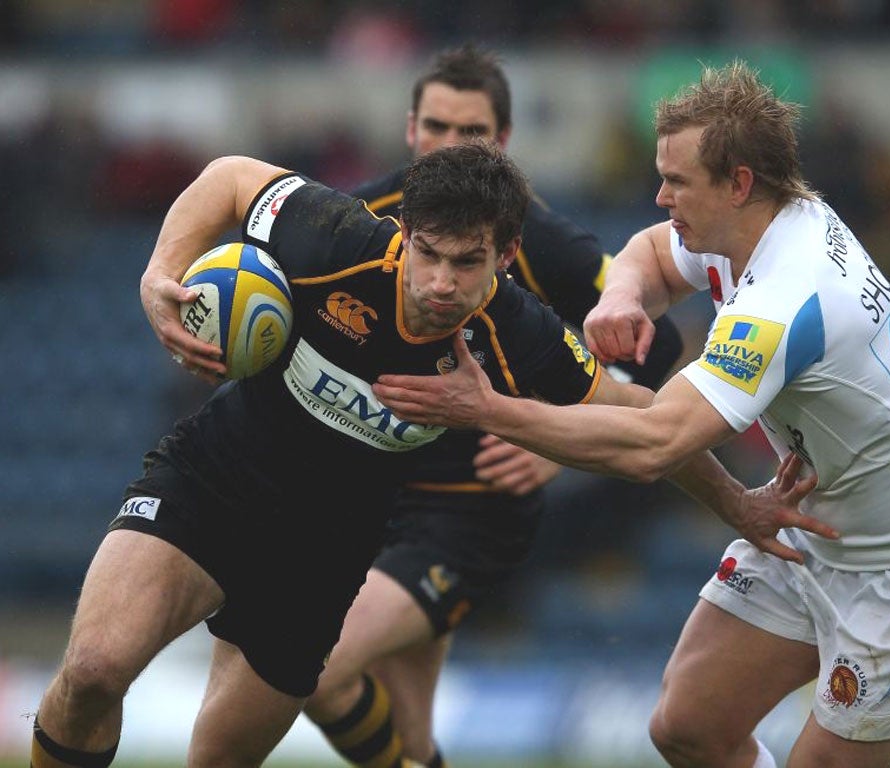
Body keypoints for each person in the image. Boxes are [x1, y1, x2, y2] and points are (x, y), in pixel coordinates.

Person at [372, 61, 890, 768]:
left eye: (677, 182)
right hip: (810, 538)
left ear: (738, 184)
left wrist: (485, 408)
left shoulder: (785, 296)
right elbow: (647, 255)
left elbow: (652, 445)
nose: (660, 196)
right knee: (687, 728)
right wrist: (620, 299)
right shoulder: (758, 224)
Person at [29, 142, 664, 768]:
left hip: (321, 555)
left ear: (507, 255)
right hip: (213, 478)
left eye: (467, 263)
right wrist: (157, 275)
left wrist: (739, 500)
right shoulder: (335, 238)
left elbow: (654, 425)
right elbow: (227, 177)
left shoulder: (520, 333)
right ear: (405, 233)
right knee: (91, 671)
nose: (442, 282)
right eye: (429, 254)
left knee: (219, 758)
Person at [300, 43, 685, 768]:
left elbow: (658, 350)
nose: (448, 145)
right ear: (409, 128)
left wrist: (552, 444)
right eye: (436, 127)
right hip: (370, 491)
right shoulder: (361, 218)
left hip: (467, 509)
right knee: (411, 740)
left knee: (313, 668)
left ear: (502, 143)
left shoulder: (540, 242)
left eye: (469, 132)